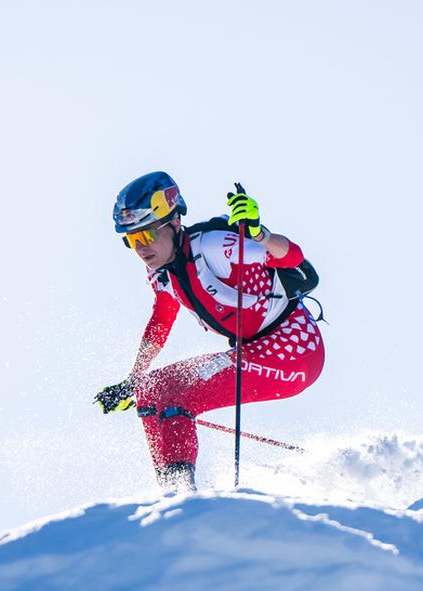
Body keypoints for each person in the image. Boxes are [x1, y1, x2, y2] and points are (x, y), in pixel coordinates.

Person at [95, 171, 324, 491]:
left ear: (175, 223)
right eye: (132, 240)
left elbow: (295, 261)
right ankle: (169, 492)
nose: (142, 248)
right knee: (150, 388)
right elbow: (161, 322)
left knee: (177, 394)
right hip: (252, 351)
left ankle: (183, 496)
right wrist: (132, 379)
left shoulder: (212, 245)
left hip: (293, 350)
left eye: (147, 235)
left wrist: (259, 234)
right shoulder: (160, 274)